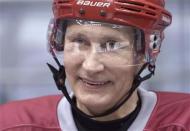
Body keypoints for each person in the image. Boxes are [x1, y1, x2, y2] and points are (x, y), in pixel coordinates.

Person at [0, 0, 190, 131]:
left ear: (147, 51)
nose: (91, 66)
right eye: (79, 41)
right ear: (58, 42)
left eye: (112, 45)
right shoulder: (10, 123)